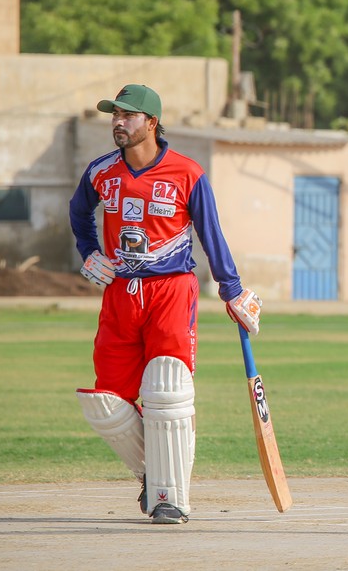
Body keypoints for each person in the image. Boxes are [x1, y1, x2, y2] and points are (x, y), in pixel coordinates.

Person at [69, 84, 262, 524]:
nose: (118, 122)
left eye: (128, 115)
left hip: (172, 290)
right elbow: (78, 213)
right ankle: (154, 474)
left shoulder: (187, 173)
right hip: (120, 292)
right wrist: (89, 251)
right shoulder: (101, 171)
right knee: (107, 401)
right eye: (115, 115)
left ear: (152, 122)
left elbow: (211, 234)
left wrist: (232, 289)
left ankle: (170, 498)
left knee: (167, 389)